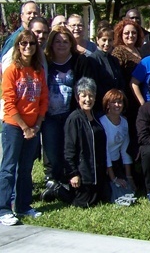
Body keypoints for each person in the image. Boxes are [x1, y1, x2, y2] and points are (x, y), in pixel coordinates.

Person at [0, 30, 48, 226]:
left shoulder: (38, 71)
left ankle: (23, 205)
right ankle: (3, 209)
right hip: (13, 126)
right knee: (9, 168)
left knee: (26, 168)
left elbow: (43, 100)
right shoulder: (12, 70)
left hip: (33, 126)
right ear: (18, 46)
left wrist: (36, 125)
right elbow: (9, 102)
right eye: (24, 43)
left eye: (32, 44)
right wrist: (24, 127)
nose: (28, 47)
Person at [41, 25, 96, 191]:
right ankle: (52, 179)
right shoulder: (45, 62)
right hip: (49, 114)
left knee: (69, 147)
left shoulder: (79, 61)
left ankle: (69, 178)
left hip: (69, 113)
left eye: (65, 41)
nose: (61, 44)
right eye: (57, 41)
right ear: (51, 43)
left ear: (71, 43)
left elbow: (85, 86)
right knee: (51, 149)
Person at [63, 77, 109, 208]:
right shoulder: (74, 119)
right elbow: (69, 149)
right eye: (84, 96)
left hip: (97, 175)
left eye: (91, 96)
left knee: (103, 199)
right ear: (78, 98)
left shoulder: (96, 117)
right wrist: (73, 174)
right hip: (82, 176)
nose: (87, 100)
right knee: (84, 203)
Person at [99, 89, 137, 206]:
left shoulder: (124, 122)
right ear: (107, 104)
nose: (117, 105)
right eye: (113, 102)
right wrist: (113, 178)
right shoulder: (102, 122)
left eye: (120, 102)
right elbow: (105, 152)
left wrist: (129, 176)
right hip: (104, 164)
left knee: (128, 188)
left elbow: (125, 151)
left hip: (116, 163)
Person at [111, 19, 144, 149]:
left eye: (134, 33)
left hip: (140, 97)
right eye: (127, 33)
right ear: (120, 34)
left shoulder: (139, 50)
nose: (130, 36)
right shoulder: (119, 51)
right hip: (127, 98)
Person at [89, 27, 123, 103]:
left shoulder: (114, 60)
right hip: (101, 102)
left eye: (110, 40)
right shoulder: (92, 59)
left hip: (115, 102)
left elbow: (120, 81)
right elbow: (95, 84)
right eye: (104, 40)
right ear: (97, 40)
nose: (107, 44)